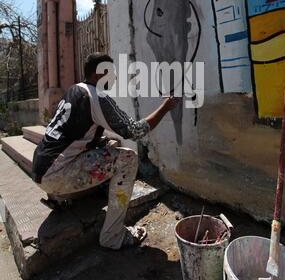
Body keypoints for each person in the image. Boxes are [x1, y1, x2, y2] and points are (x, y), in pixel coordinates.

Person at [32, 53, 180, 250]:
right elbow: (135, 131)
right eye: (111, 73)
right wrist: (166, 106)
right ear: (99, 73)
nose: (115, 78)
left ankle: (64, 197)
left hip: (40, 167)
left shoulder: (75, 90)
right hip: (57, 174)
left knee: (109, 145)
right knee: (128, 158)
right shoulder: (98, 96)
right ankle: (113, 235)